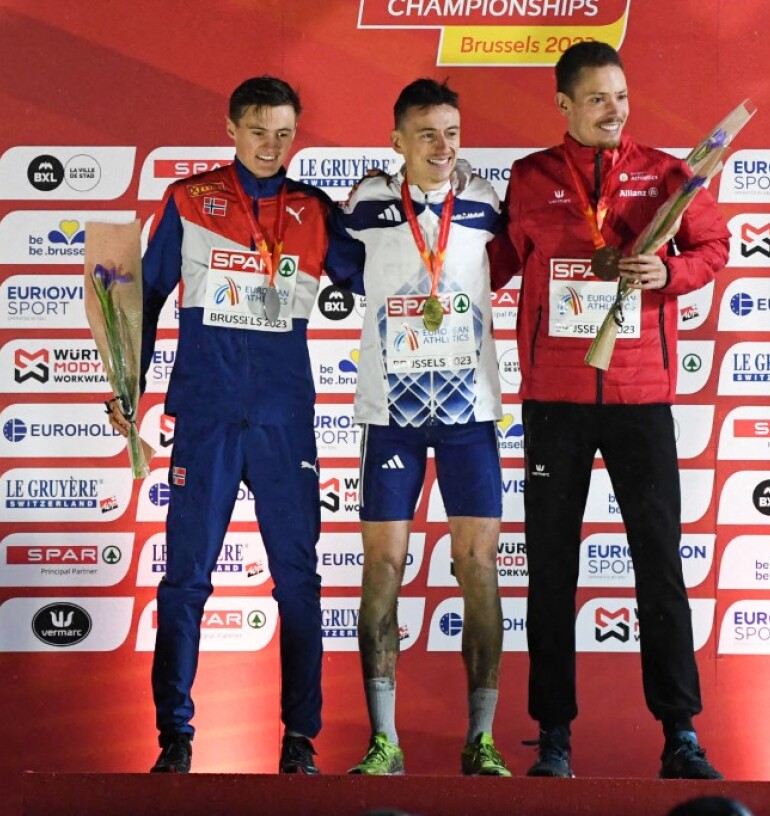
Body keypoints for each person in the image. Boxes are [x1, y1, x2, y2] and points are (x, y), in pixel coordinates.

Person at [107, 75, 364, 775]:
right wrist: (127, 386)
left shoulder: (314, 209)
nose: (271, 146)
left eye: (285, 134)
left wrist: (401, 212)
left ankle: (300, 741)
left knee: (299, 581)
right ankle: (175, 739)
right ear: (230, 128)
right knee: (185, 579)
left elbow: (377, 278)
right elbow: (140, 293)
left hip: (285, 419)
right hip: (209, 412)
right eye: (259, 131)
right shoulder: (190, 201)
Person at [500, 41, 730, 779]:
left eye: (622, 97)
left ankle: (680, 733)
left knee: (659, 566)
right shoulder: (530, 177)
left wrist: (669, 270)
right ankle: (554, 735)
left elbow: (714, 247)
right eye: (597, 98)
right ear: (564, 104)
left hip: (640, 399)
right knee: (551, 571)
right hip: (554, 403)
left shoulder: (670, 174)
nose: (614, 111)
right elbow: (494, 259)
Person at [339, 78, 514, 777]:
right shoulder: (366, 205)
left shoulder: (486, 203)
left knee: (479, 568)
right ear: (397, 142)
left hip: (470, 415)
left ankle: (483, 739)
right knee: (382, 571)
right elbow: (346, 272)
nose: (443, 148)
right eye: (427, 135)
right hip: (393, 418)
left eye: (452, 133)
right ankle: (383, 740)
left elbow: (507, 269)